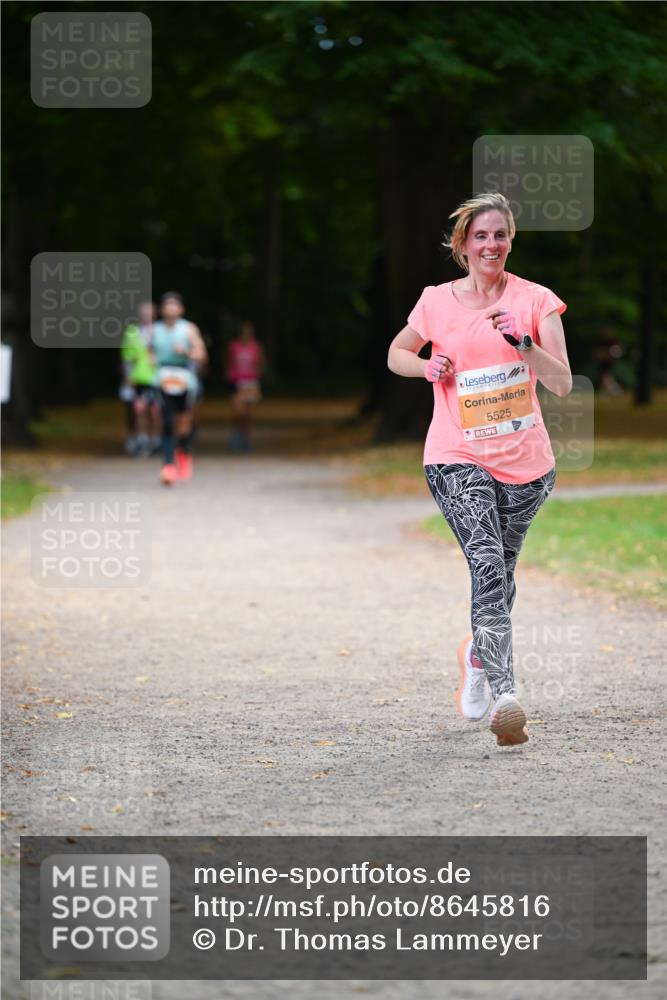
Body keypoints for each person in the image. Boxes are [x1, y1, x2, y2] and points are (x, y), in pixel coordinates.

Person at [387, 192, 572, 747]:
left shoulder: (536, 301)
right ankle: (505, 693)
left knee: (502, 573)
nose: (491, 245)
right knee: (489, 564)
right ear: (462, 244)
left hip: (527, 465)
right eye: (481, 236)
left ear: (510, 240)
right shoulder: (435, 302)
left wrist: (522, 341)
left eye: (500, 235)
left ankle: (475, 653)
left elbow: (562, 381)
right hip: (456, 455)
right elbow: (397, 353)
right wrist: (426, 365)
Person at [152, 292, 208, 486]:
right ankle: (168, 465)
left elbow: (201, 355)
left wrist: (186, 352)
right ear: (161, 310)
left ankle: (183, 451)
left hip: (184, 378)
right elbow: (148, 353)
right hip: (163, 378)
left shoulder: (189, 329)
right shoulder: (154, 329)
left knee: (184, 421)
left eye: (175, 305)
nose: (171, 308)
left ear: (181, 309)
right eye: (167, 305)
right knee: (167, 420)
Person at [120, 301, 161, 457]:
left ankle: (156, 440)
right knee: (139, 410)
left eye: (149, 311)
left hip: (158, 378)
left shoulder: (161, 331)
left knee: (156, 411)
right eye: (143, 311)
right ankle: (142, 439)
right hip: (139, 378)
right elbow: (126, 357)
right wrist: (128, 376)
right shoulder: (132, 332)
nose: (146, 314)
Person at [225, 320, 265, 452]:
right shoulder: (233, 346)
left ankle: (246, 440)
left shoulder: (256, 346)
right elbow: (228, 361)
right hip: (236, 382)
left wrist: (257, 375)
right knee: (238, 412)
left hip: (251, 382)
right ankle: (236, 435)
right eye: (244, 331)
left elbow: (261, 362)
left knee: (248, 414)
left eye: (248, 331)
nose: (246, 333)